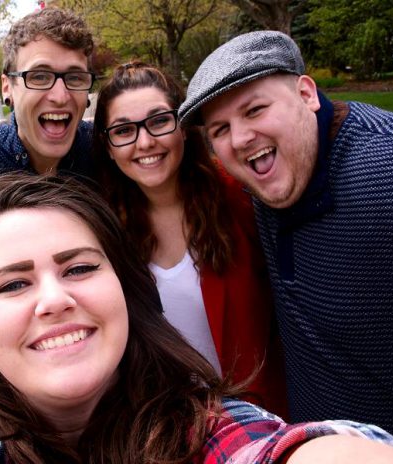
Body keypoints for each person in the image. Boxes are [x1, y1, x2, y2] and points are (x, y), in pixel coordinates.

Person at [0, 174, 393, 463]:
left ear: (127, 293)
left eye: (79, 268)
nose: (53, 299)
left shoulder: (208, 424)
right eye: (13, 283)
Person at [179, 30, 393, 441]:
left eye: (254, 110)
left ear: (306, 94)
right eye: (220, 129)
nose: (241, 138)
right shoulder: (264, 184)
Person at [92, 61, 286, 416]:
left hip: (259, 418)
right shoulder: (105, 231)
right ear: (107, 145)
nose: (145, 142)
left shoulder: (241, 196)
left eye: (159, 121)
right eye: (123, 131)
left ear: (183, 128)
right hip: (166, 426)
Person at [0, 7, 95, 177]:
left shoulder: (102, 150)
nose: (60, 97)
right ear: (7, 87)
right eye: (40, 77)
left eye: (75, 78)